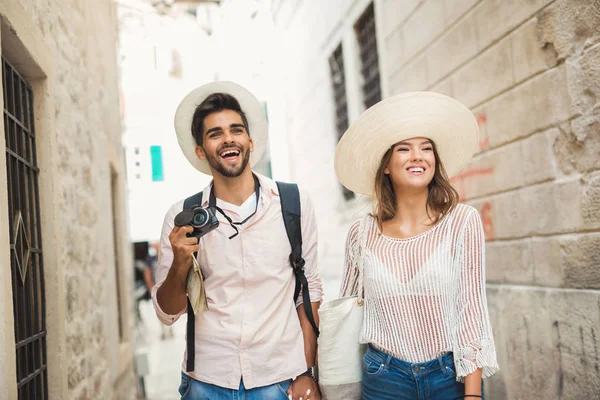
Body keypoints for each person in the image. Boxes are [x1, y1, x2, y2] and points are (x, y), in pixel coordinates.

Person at [152, 81, 323, 400]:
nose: (228, 138)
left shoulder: (293, 203)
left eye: (236, 129)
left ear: (250, 141)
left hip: (279, 379)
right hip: (206, 381)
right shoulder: (183, 215)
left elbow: (307, 293)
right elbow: (167, 313)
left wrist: (306, 372)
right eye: (215, 133)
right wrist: (179, 263)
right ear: (201, 151)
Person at [334, 92, 499, 400]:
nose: (418, 156)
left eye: (426, 148)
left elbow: (472, 311)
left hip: (450, 377)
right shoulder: (361, 233)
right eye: (404, 149)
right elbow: (346, 312)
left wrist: (474, 395)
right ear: (386, 165)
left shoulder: (462, 222)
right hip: (384, 379)